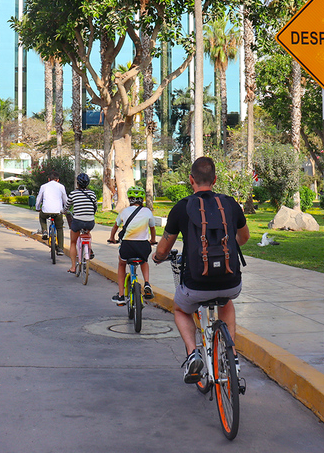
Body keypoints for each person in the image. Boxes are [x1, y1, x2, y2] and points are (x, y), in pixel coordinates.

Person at [152, 156, 250, 384]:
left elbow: (164, 247)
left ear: (191, 180)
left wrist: (157, 257)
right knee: (226, 301)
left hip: (196, 285)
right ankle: (232, 356)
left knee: (180, 309)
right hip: (231, 283)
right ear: (215, 179)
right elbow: (244, 238)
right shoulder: (230, 204)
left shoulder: (182, 207)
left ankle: (192, 353)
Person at [107, 186, 156, 305]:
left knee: (121, 263)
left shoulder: (124, 211)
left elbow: (115, 227)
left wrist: (112, 238)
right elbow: (152, 229)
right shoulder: (148, 212)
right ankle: (147, 283)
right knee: (144, 260)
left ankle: (121, 295)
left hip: (127, 246)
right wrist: (153, 240)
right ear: (142, 199)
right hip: (143, 246)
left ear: (130, 199)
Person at [66, 173, 98, 273]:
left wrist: (64, 210)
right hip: (90, 222)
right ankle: (89, 248)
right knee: (87, 232)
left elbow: (67, 206)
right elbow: (95, 206)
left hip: (77, 221)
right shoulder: (92, 194)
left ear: (78, 183)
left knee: (73, 242)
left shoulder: (73, 193)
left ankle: (73, 267)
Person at [36, 171, 68, 256]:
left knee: (42, 217)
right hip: (58, 212)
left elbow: (39, 198)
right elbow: (65, 199)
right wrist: (65, 210)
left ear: (48, 179)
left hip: (46, 210)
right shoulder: (61, 186)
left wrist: (37, 208)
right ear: (58, 180)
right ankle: (60, 248)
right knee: (59, 228)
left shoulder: (44, 186)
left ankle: (45, 231)